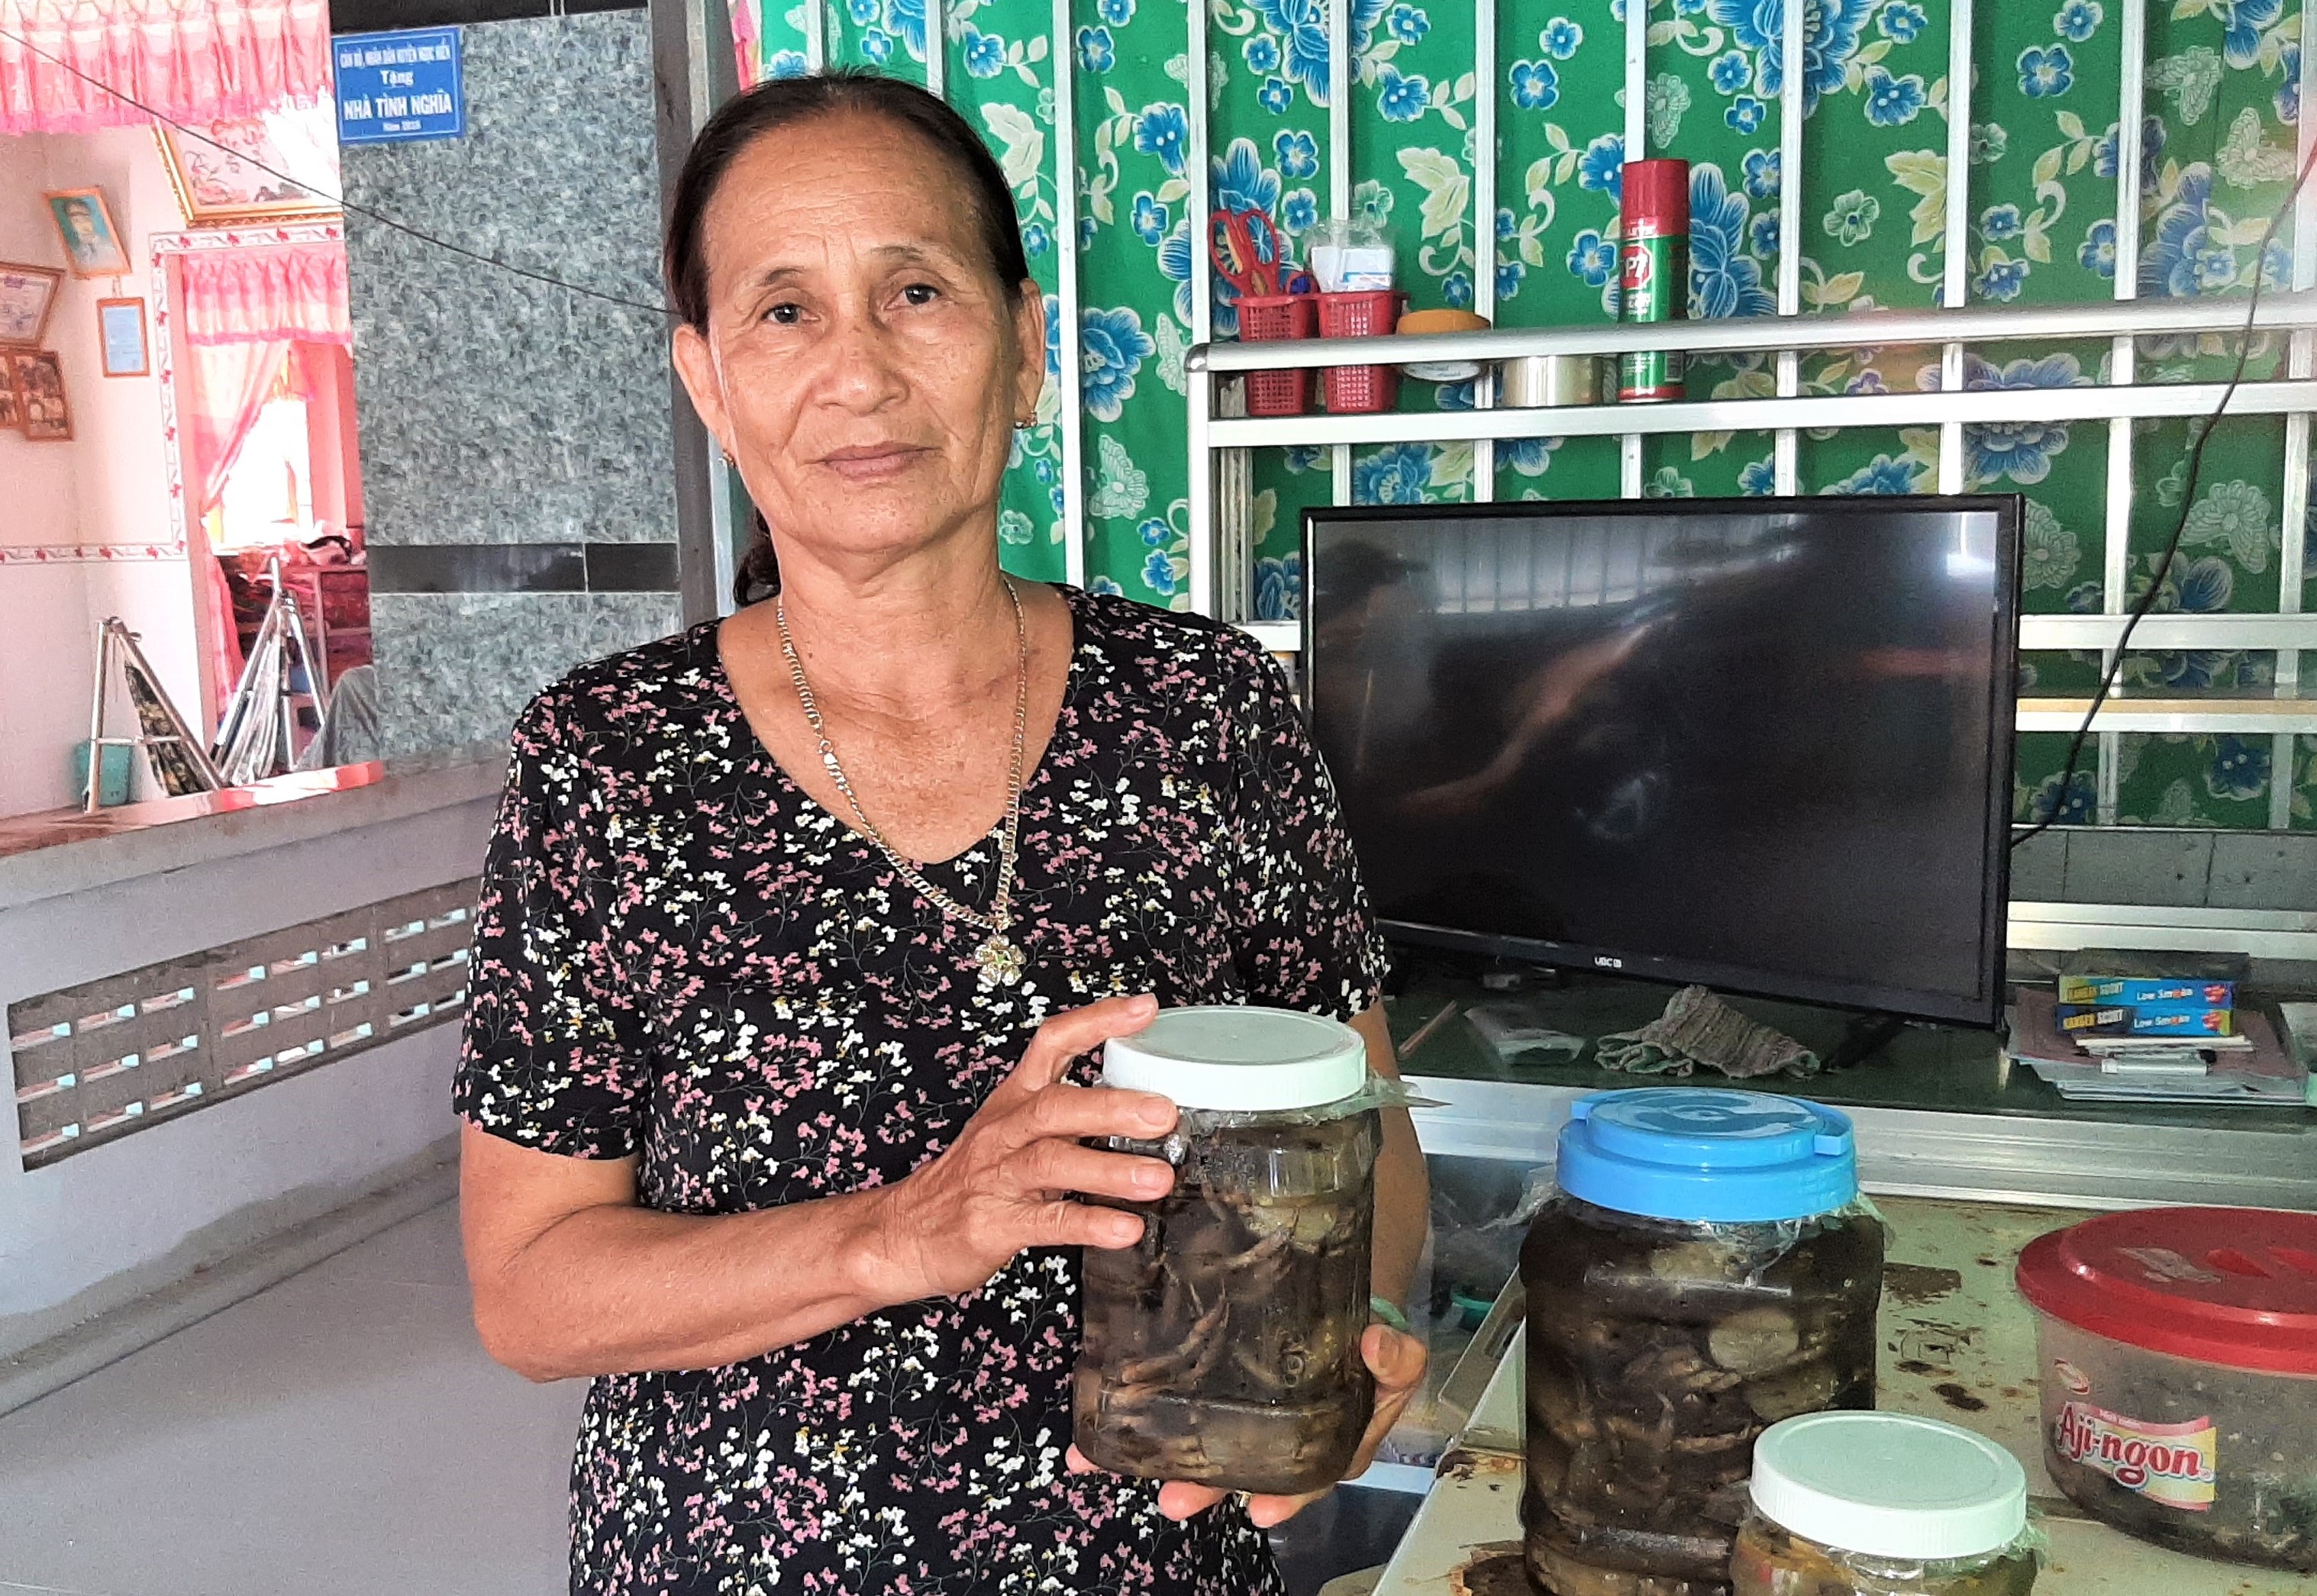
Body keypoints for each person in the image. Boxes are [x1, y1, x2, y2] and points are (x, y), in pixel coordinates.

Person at [453, 70, 1429, 1595]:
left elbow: (1364, 1125)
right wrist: (897, 1231)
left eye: (916, 291)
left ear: (1025, 348)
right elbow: (530, 1290)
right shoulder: (606, 761)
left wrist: (1350, 1339)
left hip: (1155, 1561)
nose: (858, 370)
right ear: (709, 381)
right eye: (785, 310)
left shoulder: (1209, 709)